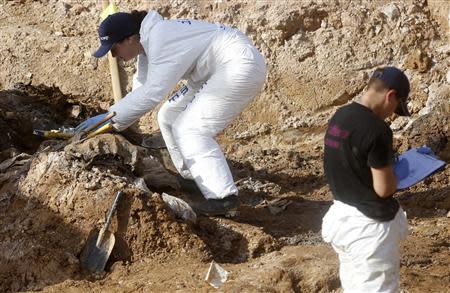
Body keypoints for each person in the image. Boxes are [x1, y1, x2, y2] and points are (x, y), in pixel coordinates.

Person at [77, 11, 266, 217]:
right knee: (168, 116)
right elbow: (141, 88)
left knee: (190, 128)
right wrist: (110, 120)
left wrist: (111, 118)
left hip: (237, 65)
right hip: (211, 70)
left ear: (130, 38)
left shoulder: (160, 38)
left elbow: (153, 92)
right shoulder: (146, 44)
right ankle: (193, 177)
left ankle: (223, 199)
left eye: (114, 49)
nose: (114, 56)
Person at [321, 67, 410, 292]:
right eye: (395, 108)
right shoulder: (377, 130)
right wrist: (400, 174)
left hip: (342, 219)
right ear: (390, 96)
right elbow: (384, 189)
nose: (391, 114)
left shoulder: (340, 116)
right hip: (369, 230)